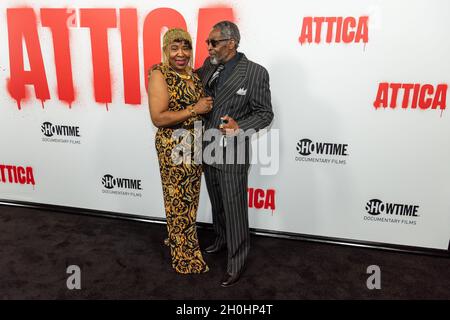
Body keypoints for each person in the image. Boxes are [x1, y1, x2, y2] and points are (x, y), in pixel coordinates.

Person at [197, 21, 274, 286]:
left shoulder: (254, 72)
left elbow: (265, 113)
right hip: (208, 146)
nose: (208, 47)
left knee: (234, 208)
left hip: (233, 152)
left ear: (231, 43)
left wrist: (241, 127)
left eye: (213, 42)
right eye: (208, 42)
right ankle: (220, 239)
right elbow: (187, 82)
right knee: (217, 202)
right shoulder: (209, 67)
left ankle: (236, 261)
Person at [148, 28, 213, 274]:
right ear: (166, 50)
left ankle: (180, 237)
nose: (181, 53)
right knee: (178, 199)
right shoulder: (159, 74)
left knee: (189, 199)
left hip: (194, 145)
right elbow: (158, 117)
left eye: (185, 48)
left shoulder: (192, 75)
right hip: (174, 145)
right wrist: (194, 109)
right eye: (174, 48)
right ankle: (184, 254)